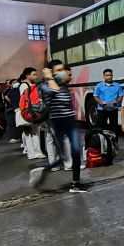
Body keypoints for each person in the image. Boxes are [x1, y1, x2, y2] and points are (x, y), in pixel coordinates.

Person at [30, 60, 87, 193]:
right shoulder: (45, 86)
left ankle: (75, 184)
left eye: (63, 69)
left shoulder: (63, 84)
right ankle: (43, 170)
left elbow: (69, 76)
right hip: (57, 123)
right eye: (59, 70)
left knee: (76, 152)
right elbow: (54, 89)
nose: (63, 72)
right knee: (64, 157)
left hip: (70, 122)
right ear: (51, 72)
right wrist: (48, 76)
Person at [19, 68, 45, 159]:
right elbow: (26, 100)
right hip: (29, 111)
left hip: (30, 111)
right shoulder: (24, 85)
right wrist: (33, 112)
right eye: (33, 74)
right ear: (27, 75)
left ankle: (33, 153)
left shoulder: (29, 85)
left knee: (31, 133)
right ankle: (34, 153)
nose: (36, 76)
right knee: (31, 133)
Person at [94, 69, 123, 137]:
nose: (109, 77)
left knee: (114, 128)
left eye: (110, 75)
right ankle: (103, 143)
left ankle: (114, 143)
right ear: (104, 76)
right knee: (102, 128)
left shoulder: (117, 85)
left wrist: (116, 102)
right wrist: (101, 103)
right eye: (107, 75)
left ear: (112, 76)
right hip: (102, 110)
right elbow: (95, 96)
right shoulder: (99, 85)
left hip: (113, 109)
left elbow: (120, 95)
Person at [3, 79, 21, 143]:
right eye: (14, 82)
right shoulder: (8, 91)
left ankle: (18, 137)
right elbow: (8, 100)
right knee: (11, 124)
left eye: (16, 82)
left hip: (18, 109)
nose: (15, 83)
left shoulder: (19, 90)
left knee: (18, 123)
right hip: (10, 109)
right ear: (11, 84)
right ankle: (13, 137)